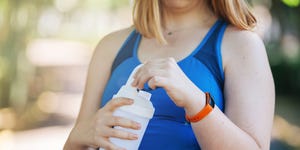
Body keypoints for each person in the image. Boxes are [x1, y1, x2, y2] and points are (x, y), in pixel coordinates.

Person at [64, 0, 275, 149]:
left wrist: (196, 102)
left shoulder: (241, 45)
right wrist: (78, 137)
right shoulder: (110, 46)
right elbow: (78, 140)